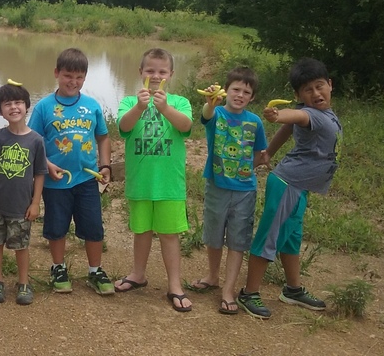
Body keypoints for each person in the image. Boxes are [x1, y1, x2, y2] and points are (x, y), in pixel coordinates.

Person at [236, 57, 342, 319]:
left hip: (299, 187)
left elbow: (288, 126)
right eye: (308, 90)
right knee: (270, 235)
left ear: (330, 85)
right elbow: (292, 116)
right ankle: (249, 293)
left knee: (292, 237)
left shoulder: (325, 113)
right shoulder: (310, 113)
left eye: (320, 86)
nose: (316, 94)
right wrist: (276, 114)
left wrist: (267, 152)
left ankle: (293, 290)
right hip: (287, 184)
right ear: (298, 95)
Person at [112, 48, 193, 311]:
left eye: (161, 71)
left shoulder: (179, 102)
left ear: (171, 74)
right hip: (141, 182)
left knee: (169, 234)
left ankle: (175, 285)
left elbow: (185, 127)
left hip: (169, 184)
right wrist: (140, 106)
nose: (155, 76)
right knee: (141, 231)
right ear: (140, 73)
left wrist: (165, 107)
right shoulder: (129, 102)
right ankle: (138, 274)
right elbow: (123, 127)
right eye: (150, 71)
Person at [28, 47, 114, 295]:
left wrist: (105, 165)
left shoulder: (91, 106)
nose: (72, 82)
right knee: (57, 227)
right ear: (56, 73)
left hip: (87, 178)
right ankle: (58, 267)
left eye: (78, 77)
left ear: (85, 78)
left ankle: (95, 270)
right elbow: (33, 141)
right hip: (55, 182)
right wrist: (46, 165)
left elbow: (103, 137)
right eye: (67, 76)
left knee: (93, 227)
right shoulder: (44, 107)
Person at [189, 67, 268, 315]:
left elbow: (260, 154)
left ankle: (228, 289)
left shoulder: (255, 122)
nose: (240, 95)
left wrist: (245, 170)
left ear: (252, 97)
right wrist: (211, 102)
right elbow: (205, 115)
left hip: (245, 190)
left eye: (246, 92)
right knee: (214, 235)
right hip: (216, 186)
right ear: (227, 89)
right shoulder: (218, 114)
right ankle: (212, 276)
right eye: (236, 89)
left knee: (237, 240)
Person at [0, 82, 46, 305]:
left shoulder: (36, 140)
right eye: (8, 104)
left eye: (18, 103)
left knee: (21, 246)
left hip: (21, 206)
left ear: (27, 107)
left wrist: (35, 203)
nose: (14, 108)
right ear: (0, 110)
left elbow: (40, 174)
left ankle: (23, 283)